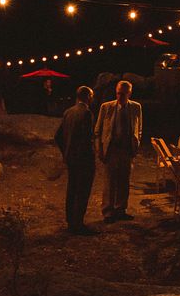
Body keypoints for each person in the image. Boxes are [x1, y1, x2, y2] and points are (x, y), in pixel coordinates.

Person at [94, 80, 142, 222]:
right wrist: (100, 149)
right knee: (109, 181)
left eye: (123, 94)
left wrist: (136, 144)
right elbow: (98, 130)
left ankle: (120, 209)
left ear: (129, 93)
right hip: (112, 148)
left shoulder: (135, 107)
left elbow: (139, 128)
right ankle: (108, 211)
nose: (119, 96)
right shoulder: (106, 107)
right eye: (118, 93)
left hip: (126, 149)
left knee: (124, 181)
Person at [53, 86, 98, 235]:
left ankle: (70, 221)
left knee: (72, 189)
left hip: (71, 159)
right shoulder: (86, 113)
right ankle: (78, 224)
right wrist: (90, 156)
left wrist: (66, 152)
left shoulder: (68, 112)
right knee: (82, 191)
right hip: (83, 159)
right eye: (91, 96)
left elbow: (58, 136)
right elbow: (87, 138)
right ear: (88, 97)